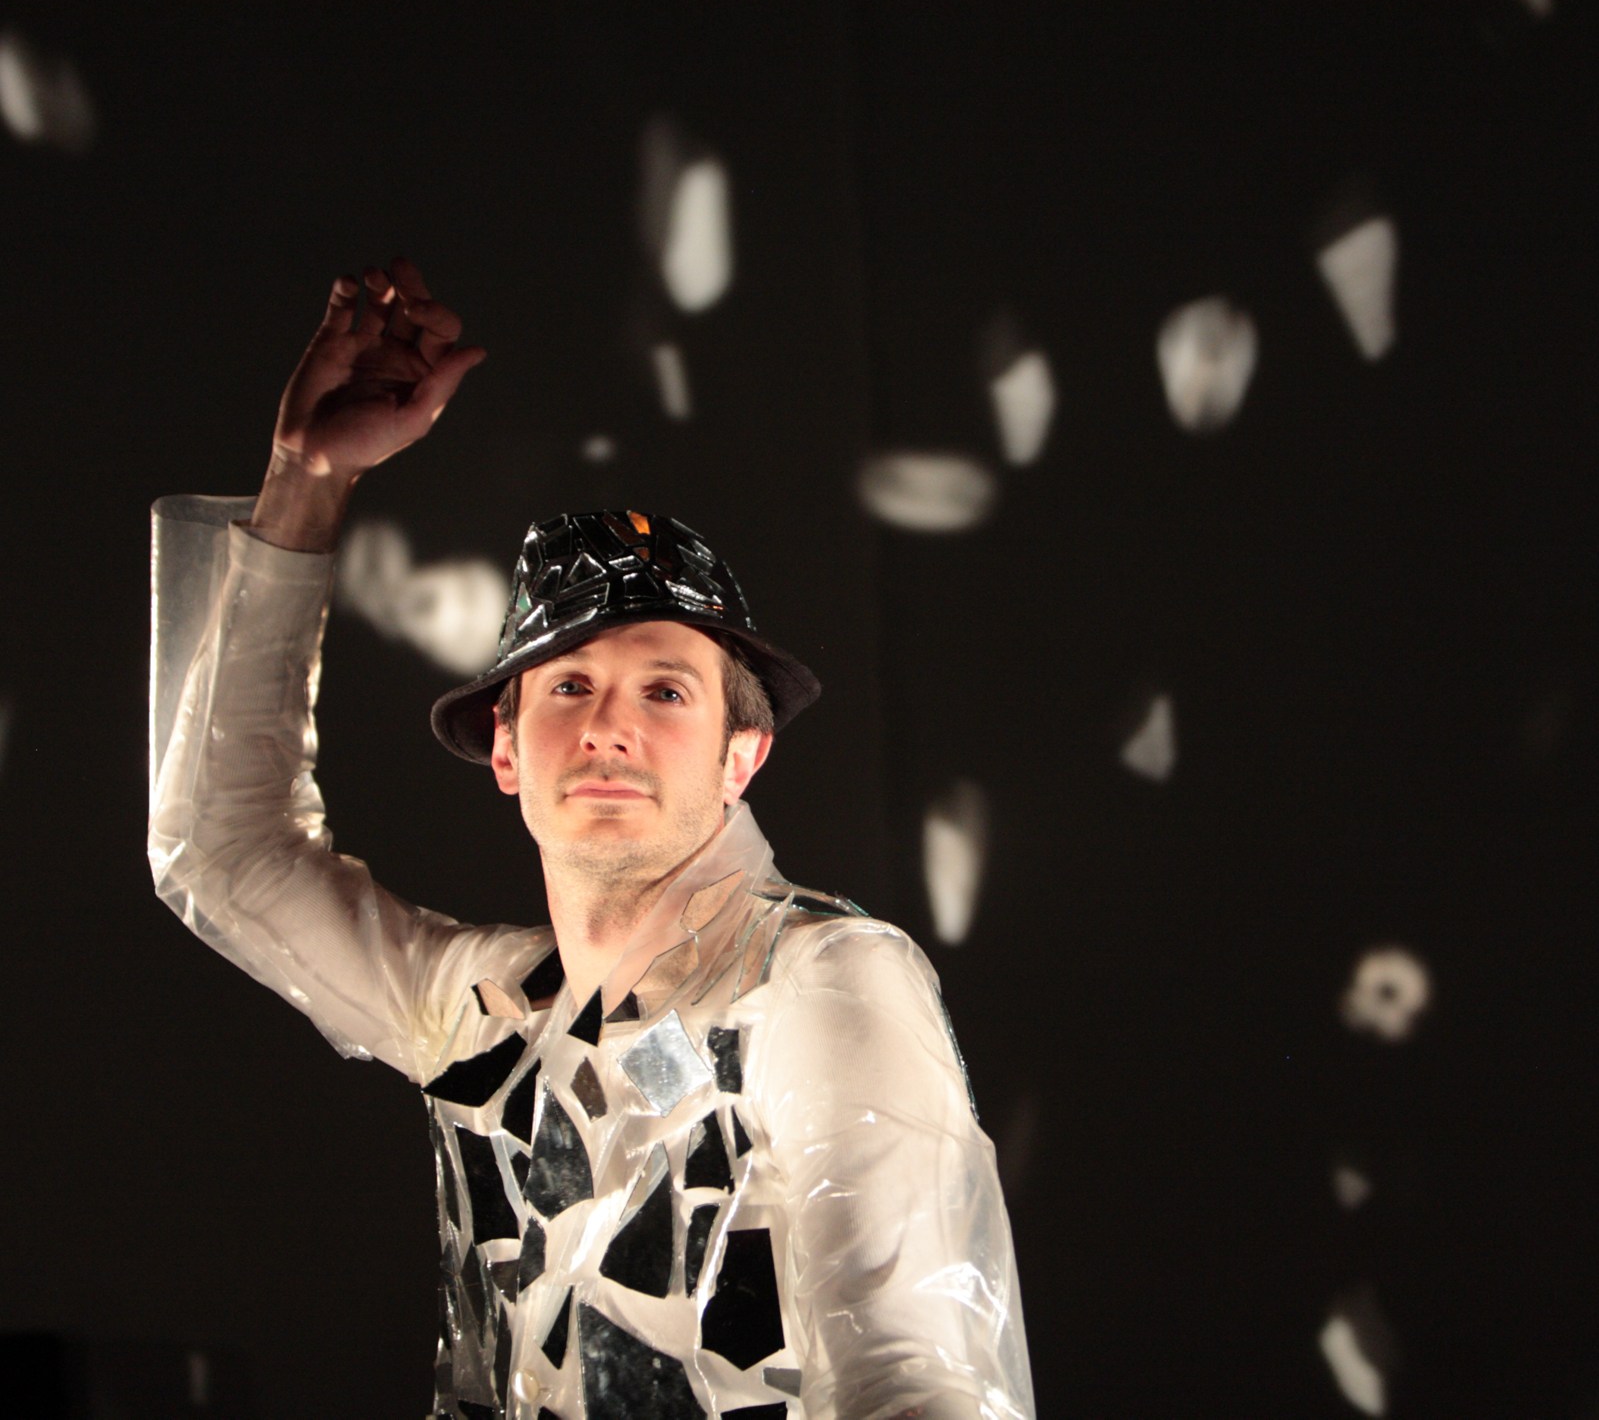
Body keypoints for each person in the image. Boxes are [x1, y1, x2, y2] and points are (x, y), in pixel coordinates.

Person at [148, 262, 1034, 1420]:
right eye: (568, 686)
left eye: (665, 691)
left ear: (741, 757)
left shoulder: (820, 985)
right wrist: (305, 480)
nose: (609, 725)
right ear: (506, 751)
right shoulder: (486, 1015)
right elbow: (221, 851)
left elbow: (911, 1377)